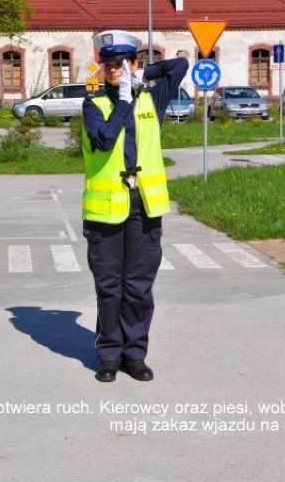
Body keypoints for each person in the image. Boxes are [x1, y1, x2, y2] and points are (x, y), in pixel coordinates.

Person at [82, 30, 189, 383]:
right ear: (101, 67)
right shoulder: (93, 105)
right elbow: (102, 141)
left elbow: (180, 65)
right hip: (105, 211)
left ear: (133, 64)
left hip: (144, 206)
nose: (116, 70)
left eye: (122, 63)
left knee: (139, 288)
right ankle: (109, 356)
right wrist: (124, 101)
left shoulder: (151, 99)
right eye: (109, 64)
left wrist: (146, 74)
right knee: (110, 288)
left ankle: (134, 355)